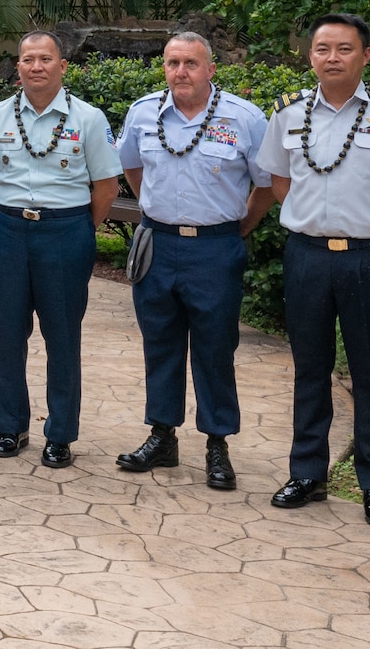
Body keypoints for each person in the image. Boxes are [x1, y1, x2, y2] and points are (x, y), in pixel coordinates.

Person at [257, 13, 370, 528]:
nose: (331, 58)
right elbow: (277, 179)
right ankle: (307, 473)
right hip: (307, 256)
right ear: (310, 55)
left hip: (368, 258)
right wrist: (312, 223)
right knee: (309, 368)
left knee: (369, 371)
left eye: (343, 49)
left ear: (365, 55)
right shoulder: (288, 114)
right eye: (322, 49)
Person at [115, 31, 272, 491]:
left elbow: (265, 183)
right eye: (172, 63)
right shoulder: (144, 112)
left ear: (210, 69)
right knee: (159, 342)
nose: (180, 71)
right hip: (158, 245)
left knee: (215, 346)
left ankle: (217, 444)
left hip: (215, 248)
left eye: (190, 63)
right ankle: (162, 435)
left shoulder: (244, 118)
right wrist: (153, 207)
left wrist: (240, 225)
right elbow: (131, 166)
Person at [0, 30, 121, 468]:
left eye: (45, 59)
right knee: (8, 332)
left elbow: (107, 185)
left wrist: (76, 227)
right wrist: (12, 215)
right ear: (18, 66)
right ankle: (10, 426)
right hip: (12, 232)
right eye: (28, 59)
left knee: (62, 335)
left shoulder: (88, 119)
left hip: (66, 232)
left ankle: (60, 434)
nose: (36, 66)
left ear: (62, 66)